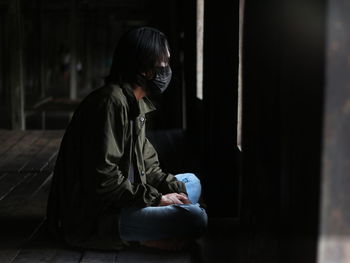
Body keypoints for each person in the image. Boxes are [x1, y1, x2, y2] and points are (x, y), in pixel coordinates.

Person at [46, 27, 208, 251]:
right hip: (97, 215)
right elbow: (104, 182)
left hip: (125, 199)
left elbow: (150, 169)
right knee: (196, 218)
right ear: (143, 66)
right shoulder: (111, 103)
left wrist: (173, 192)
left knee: (191, 181)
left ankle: (160, 223)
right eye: (163, 63)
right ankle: (141, 236)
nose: (167, 70)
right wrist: (157, 199)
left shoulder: (136, 104)